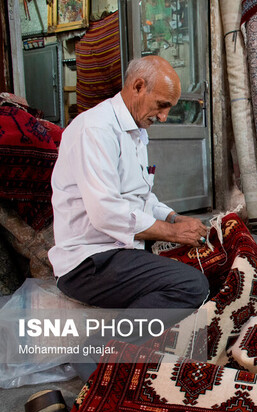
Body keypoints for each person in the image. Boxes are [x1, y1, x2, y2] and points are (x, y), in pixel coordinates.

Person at [49, 56, 210, 360]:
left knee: (205, 263)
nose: (164, 117)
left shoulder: (135, 130)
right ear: (138, 86)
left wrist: (175, 217)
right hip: (89, 261)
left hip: (119, 250)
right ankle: (99, 352)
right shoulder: (95, 129)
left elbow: (141, 196)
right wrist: (173, 233)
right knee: (192, 286)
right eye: (162, 105)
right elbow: (106, 212)